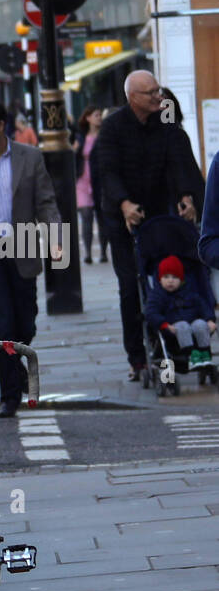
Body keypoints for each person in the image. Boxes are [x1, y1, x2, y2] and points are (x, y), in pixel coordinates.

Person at [96, 70, 205, 382]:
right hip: (122, 219)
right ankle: (137, 357)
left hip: (158, 216)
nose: (159, 96)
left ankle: (171, 347)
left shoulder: (166, 124)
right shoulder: (113, 127)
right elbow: (108, 170)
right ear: (133, 98)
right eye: (152, 92)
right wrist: (124, 204)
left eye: (158, 90)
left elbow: (178, 164)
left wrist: (186, 196)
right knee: (131, 287)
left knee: (167, 277)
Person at [0, 101, 62, 419]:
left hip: (21, 244)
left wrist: (55, 237)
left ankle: (16, 367)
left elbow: (45, 201)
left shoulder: (30, 156)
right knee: (0, 321)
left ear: (0, 125)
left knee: (26, 320)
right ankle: (10, 395)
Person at [145, 255, 217, 366]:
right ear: (160, 279)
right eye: (166, 277)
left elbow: (203, 307)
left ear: (181, 280)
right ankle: (190, 355)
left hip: (193, 323)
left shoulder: (189, 293)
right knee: (183, 326)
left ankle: (204, 353)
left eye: (174, 277)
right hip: (172, 326)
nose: (170, 281)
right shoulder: (157, 296)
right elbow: (151, 312)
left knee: (201, 324)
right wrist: (163, 324)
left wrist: (210, 319)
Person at [73, 105, 109, 264]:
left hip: (100, 179)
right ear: (87, 118)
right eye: (96, 115)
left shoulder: (105, 135)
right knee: (86, 216)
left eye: (100, 115)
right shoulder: (80, 137)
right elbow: (73, 156)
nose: (99, 118)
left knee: (102, 216)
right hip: (83, 179)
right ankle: (87, 252)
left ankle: (103, 252)